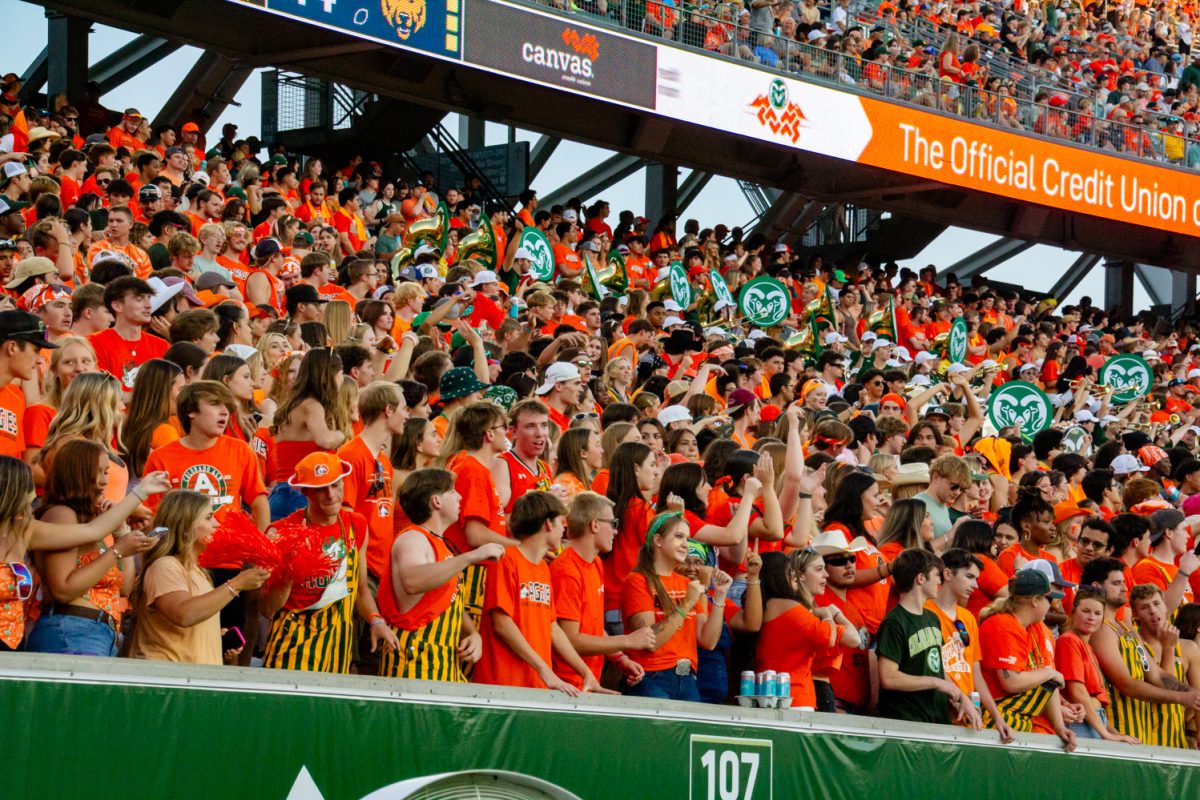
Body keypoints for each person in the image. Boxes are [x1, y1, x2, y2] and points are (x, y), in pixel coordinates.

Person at [259, 452, 399, 673]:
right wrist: (288, 575)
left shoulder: (357, 525)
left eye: (335, 484)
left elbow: (361, 590)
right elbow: (266, 609)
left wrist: (376, 620)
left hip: (337, 647)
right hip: (293, 647)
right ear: (305, 491)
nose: (331, 495)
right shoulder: (282, 532)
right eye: (320, 488)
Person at [26, 439, 158, 656]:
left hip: (96, 632)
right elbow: (63, 589)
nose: (106, 481)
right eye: (101, 472)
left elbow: (124, 587)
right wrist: (117, 551)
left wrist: (120, 532)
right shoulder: (62, 514)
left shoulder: (88, 519)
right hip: (71, 630)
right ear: (79, 473)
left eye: (107, 472)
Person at [377, 468, 503, 681]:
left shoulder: (441, 545)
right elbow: (412, 580)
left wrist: (473, 633)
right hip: (413, 664)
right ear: (436, 500)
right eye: (453, 491)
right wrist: (470, 557)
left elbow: (447, 601)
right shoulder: (412, 538)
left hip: (443, 665)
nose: (460, 497)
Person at [473, 491, 604, 694]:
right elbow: (502, 623)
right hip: (501, 685)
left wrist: (585, 671)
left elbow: (552, 627)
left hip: (535, 686)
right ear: (548, 524)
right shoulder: (506, 559)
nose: (565, 529)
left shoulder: (543, 568)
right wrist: (543, 668)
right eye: (562, 522)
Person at [127, 489, 270, 664]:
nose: (217, 524)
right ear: (186, 527)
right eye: (209, 517)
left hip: (191, 680)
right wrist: (236, 585)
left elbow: (185, 627)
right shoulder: (164, 566)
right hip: (167, 681)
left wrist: (215, 639)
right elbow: (183, 614)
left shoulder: (199, 572)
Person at [1083, 557, 1200, 746]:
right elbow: (1126, 684)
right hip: (1118, 735)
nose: (1123, 588)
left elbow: (1157, 675)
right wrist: (1181, 697)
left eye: (1123, 582)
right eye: (1116, 583)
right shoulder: (1101, 629)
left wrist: (1191, 692)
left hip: (1139, 738)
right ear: (1097, 587)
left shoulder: (1126, 629)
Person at [620, 511, 731, 701]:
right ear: (658, 540)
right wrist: (687, 603)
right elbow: (650, 642)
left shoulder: (689, 585)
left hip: (687, 679)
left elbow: (708, 641)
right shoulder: (637, 580)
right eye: (679, 537)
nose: (686, 544)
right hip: (652, 677)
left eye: (687, 538)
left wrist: (720, 596)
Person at [876, 548, 982, 727]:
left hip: (936, 717)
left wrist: (960, 697)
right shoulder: (894, 622)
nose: (940, 580)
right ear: (921, 578)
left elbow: (937, 668)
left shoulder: (932, 618)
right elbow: (888, 678)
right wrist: (936, 683)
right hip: (905, 720)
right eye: (936, 575)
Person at [926, 548, 1015, 742]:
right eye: (969, 577)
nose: (975, 585)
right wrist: (959, 699)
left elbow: (975, 673)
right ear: (947, 574)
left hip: (966, 717)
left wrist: (996, 716)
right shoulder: (925, 612)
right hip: (935, 715)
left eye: (976, 578)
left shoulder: (968, 618)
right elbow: (930, 667)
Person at [757, 548, 861, 711]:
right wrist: (831, 613)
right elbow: (848, 638)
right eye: (819, 569)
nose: (825, 575)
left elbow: (854, 639)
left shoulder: (802, 611)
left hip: (795, 692)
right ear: (799, 575)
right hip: (797, 693)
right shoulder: (796, 612)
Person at [442, 401, 513, 625]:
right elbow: (476, 535)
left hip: (471, 572)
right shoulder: (472, 469)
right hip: (470, 576)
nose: (507, 432)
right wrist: (521, 547)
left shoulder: (469, 464)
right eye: (504, 427)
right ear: (489, 434)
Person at [1056, 584, 1140, 744]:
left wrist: (1115, 733)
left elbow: (1096, 702)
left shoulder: (1087, 645)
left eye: (1097, 613)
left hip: (1093, 722)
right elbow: (1077, 693)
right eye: (1085, 611)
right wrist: (1106, 735)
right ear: (1073, 611)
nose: (1091, 617)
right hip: (1080, 724)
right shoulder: (1069, 640)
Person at [1130, 583, 1195, 749]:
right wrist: (1168, 648)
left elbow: (1198, 698)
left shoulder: (1188, 648)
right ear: (1135, 614)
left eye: (1157, 604)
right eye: (1145, 607)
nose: (1152, 610)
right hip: (1141, 740)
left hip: (1175, 740)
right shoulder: (1134, 647)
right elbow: (1164, 688)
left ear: (1166, 607)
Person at [89, 276, 168, 392]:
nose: (148, 305)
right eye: (139, 299)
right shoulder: (93, 344)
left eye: (149, 298)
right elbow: (99, 392)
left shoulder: (162, 346)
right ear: (117, 306)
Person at [492, 398, 553, 515]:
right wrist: (547, 505)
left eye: (544, 425)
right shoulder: (502, 465)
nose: (540, 433)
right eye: (530, 426)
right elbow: (496, 519)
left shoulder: (545, 468)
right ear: (513, 432)